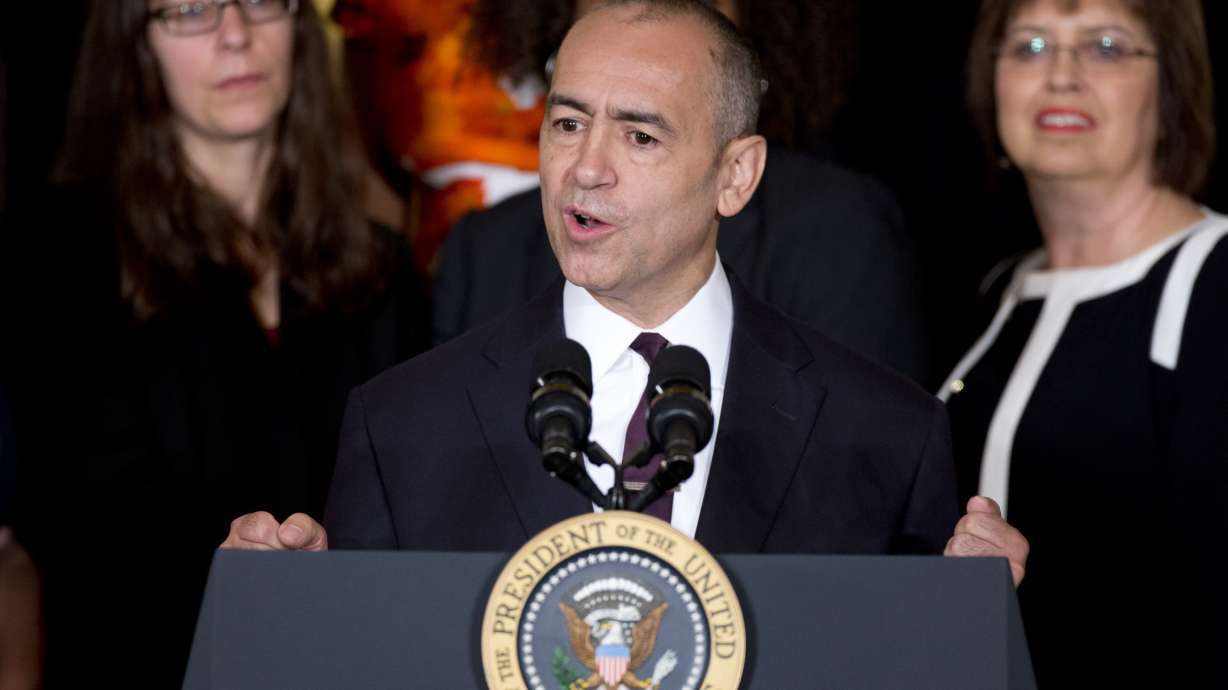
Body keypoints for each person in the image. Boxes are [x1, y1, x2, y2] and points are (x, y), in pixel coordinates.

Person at [224, 0, 1026, 587]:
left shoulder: (886, 434)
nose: (586, 169)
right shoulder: (401, 425)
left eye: (639, 136)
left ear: (736, 174)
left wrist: (967, 609)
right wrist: (298, 609)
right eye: (568, 125)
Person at [4, 0, 427, 684]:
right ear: (136, 45)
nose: (236, 35)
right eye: (193, 9)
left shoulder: (381, 267)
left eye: (259, 1)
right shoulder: (57, 256)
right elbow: (78, 531)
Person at [943, 0, 1224, 685]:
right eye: (1030, 47)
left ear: (1172, 86)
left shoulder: (1213, 279)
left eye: (1105, 45)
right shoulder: (997, 294)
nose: (1062, 75)